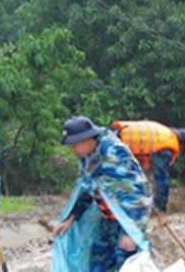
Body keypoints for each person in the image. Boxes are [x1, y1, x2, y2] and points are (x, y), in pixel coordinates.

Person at [51, 116, 153, 272]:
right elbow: (87, 188)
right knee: (97, 260)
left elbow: (138, 195)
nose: (72, 150)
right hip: (109, 219)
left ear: (86, 139)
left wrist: (131, 233)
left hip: (128, 219)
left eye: (74, 145)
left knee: (125, 263)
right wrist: (71, 217)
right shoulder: (88, 156)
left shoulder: (113, 155)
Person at [111, 120, 185, 226]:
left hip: (114, 139)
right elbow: (162, 181)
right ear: (182, 146)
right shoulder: (165, 145)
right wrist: (161, 210)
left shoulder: (162, 134)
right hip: (117, 148)